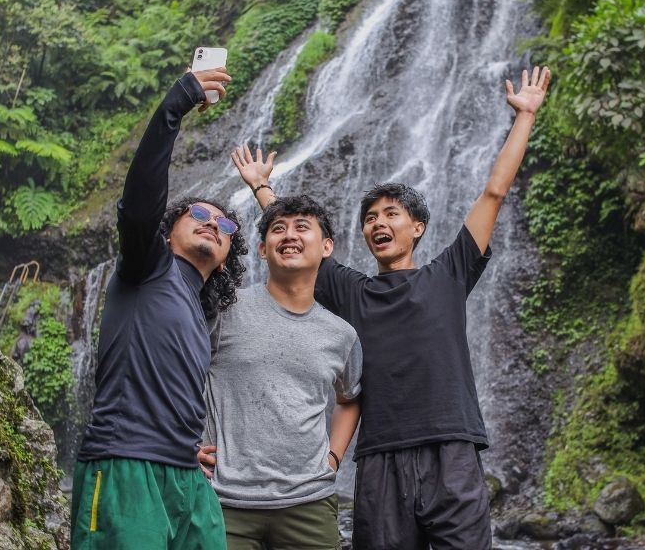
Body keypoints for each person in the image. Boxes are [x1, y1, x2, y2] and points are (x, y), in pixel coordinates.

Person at [235, 66, 552, 549]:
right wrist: (262, 187)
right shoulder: (352, 291)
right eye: (369, 218)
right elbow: (297, 238)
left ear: (417, 228)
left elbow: (494, 191)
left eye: (390, 214)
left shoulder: (449, 274)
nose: (378, 223)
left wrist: (525, 116)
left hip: (451, 449)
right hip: (380, 457)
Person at [72, 67, 248, 550]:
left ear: (227, 256)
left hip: (188, 478)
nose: (212, 224)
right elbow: (138, 207)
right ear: (167, 233)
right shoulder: (148, 267)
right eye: (198, 214)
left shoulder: (199, 314)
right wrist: (178, 101)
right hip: (126, 465)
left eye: (225, 225)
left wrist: (185, 447)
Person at [197, 194, 362, 550]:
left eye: (302, 227)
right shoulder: (224, 311)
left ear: (327, 246)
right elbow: (178, 373)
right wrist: (184, 445)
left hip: (310, 503)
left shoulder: (342, 335)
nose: (289, 235)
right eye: (278, 229)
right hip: (225, 501)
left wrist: (333, 458)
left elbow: (349, 399)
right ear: (262, 249)